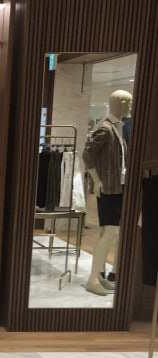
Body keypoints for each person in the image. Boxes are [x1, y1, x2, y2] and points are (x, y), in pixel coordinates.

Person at [82, 89, 132, 296]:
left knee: (108, 231)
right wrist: (97, 180)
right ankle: (93, 279)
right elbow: (87, 154)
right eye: (127, 103)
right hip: (109, 188)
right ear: (119, 104)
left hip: (116, 186)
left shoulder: (116, 128)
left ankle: (98, 277)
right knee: (109, 231)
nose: (129, 107)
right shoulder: (105, 128)